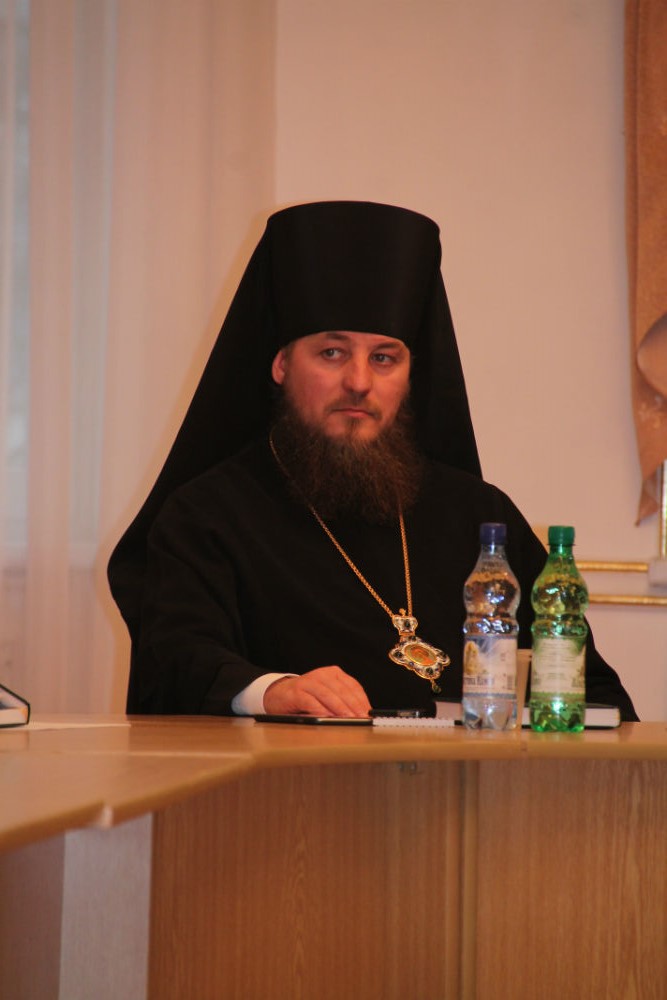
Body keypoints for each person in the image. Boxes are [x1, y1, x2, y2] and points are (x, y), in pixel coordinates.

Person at [108, 200, 638, 720]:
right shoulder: (207, 515)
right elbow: (176, 663)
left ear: (410, 376)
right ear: (281, 364)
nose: (359, 382)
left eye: (384, 358)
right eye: (332, 353)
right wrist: (272, 691)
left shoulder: (481, 517)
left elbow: (590, 689)